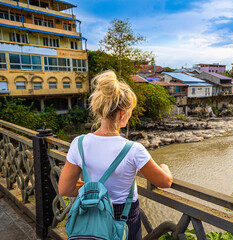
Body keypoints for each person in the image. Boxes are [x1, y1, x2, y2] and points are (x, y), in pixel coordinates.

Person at [58, 70, 173, 240]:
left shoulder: (79, 143)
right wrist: (165, 168)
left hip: (91, 219)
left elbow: (65, 189)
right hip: (123, 220)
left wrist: (93, 190)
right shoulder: (133, 149)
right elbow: (165, 182)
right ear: (121, 113)